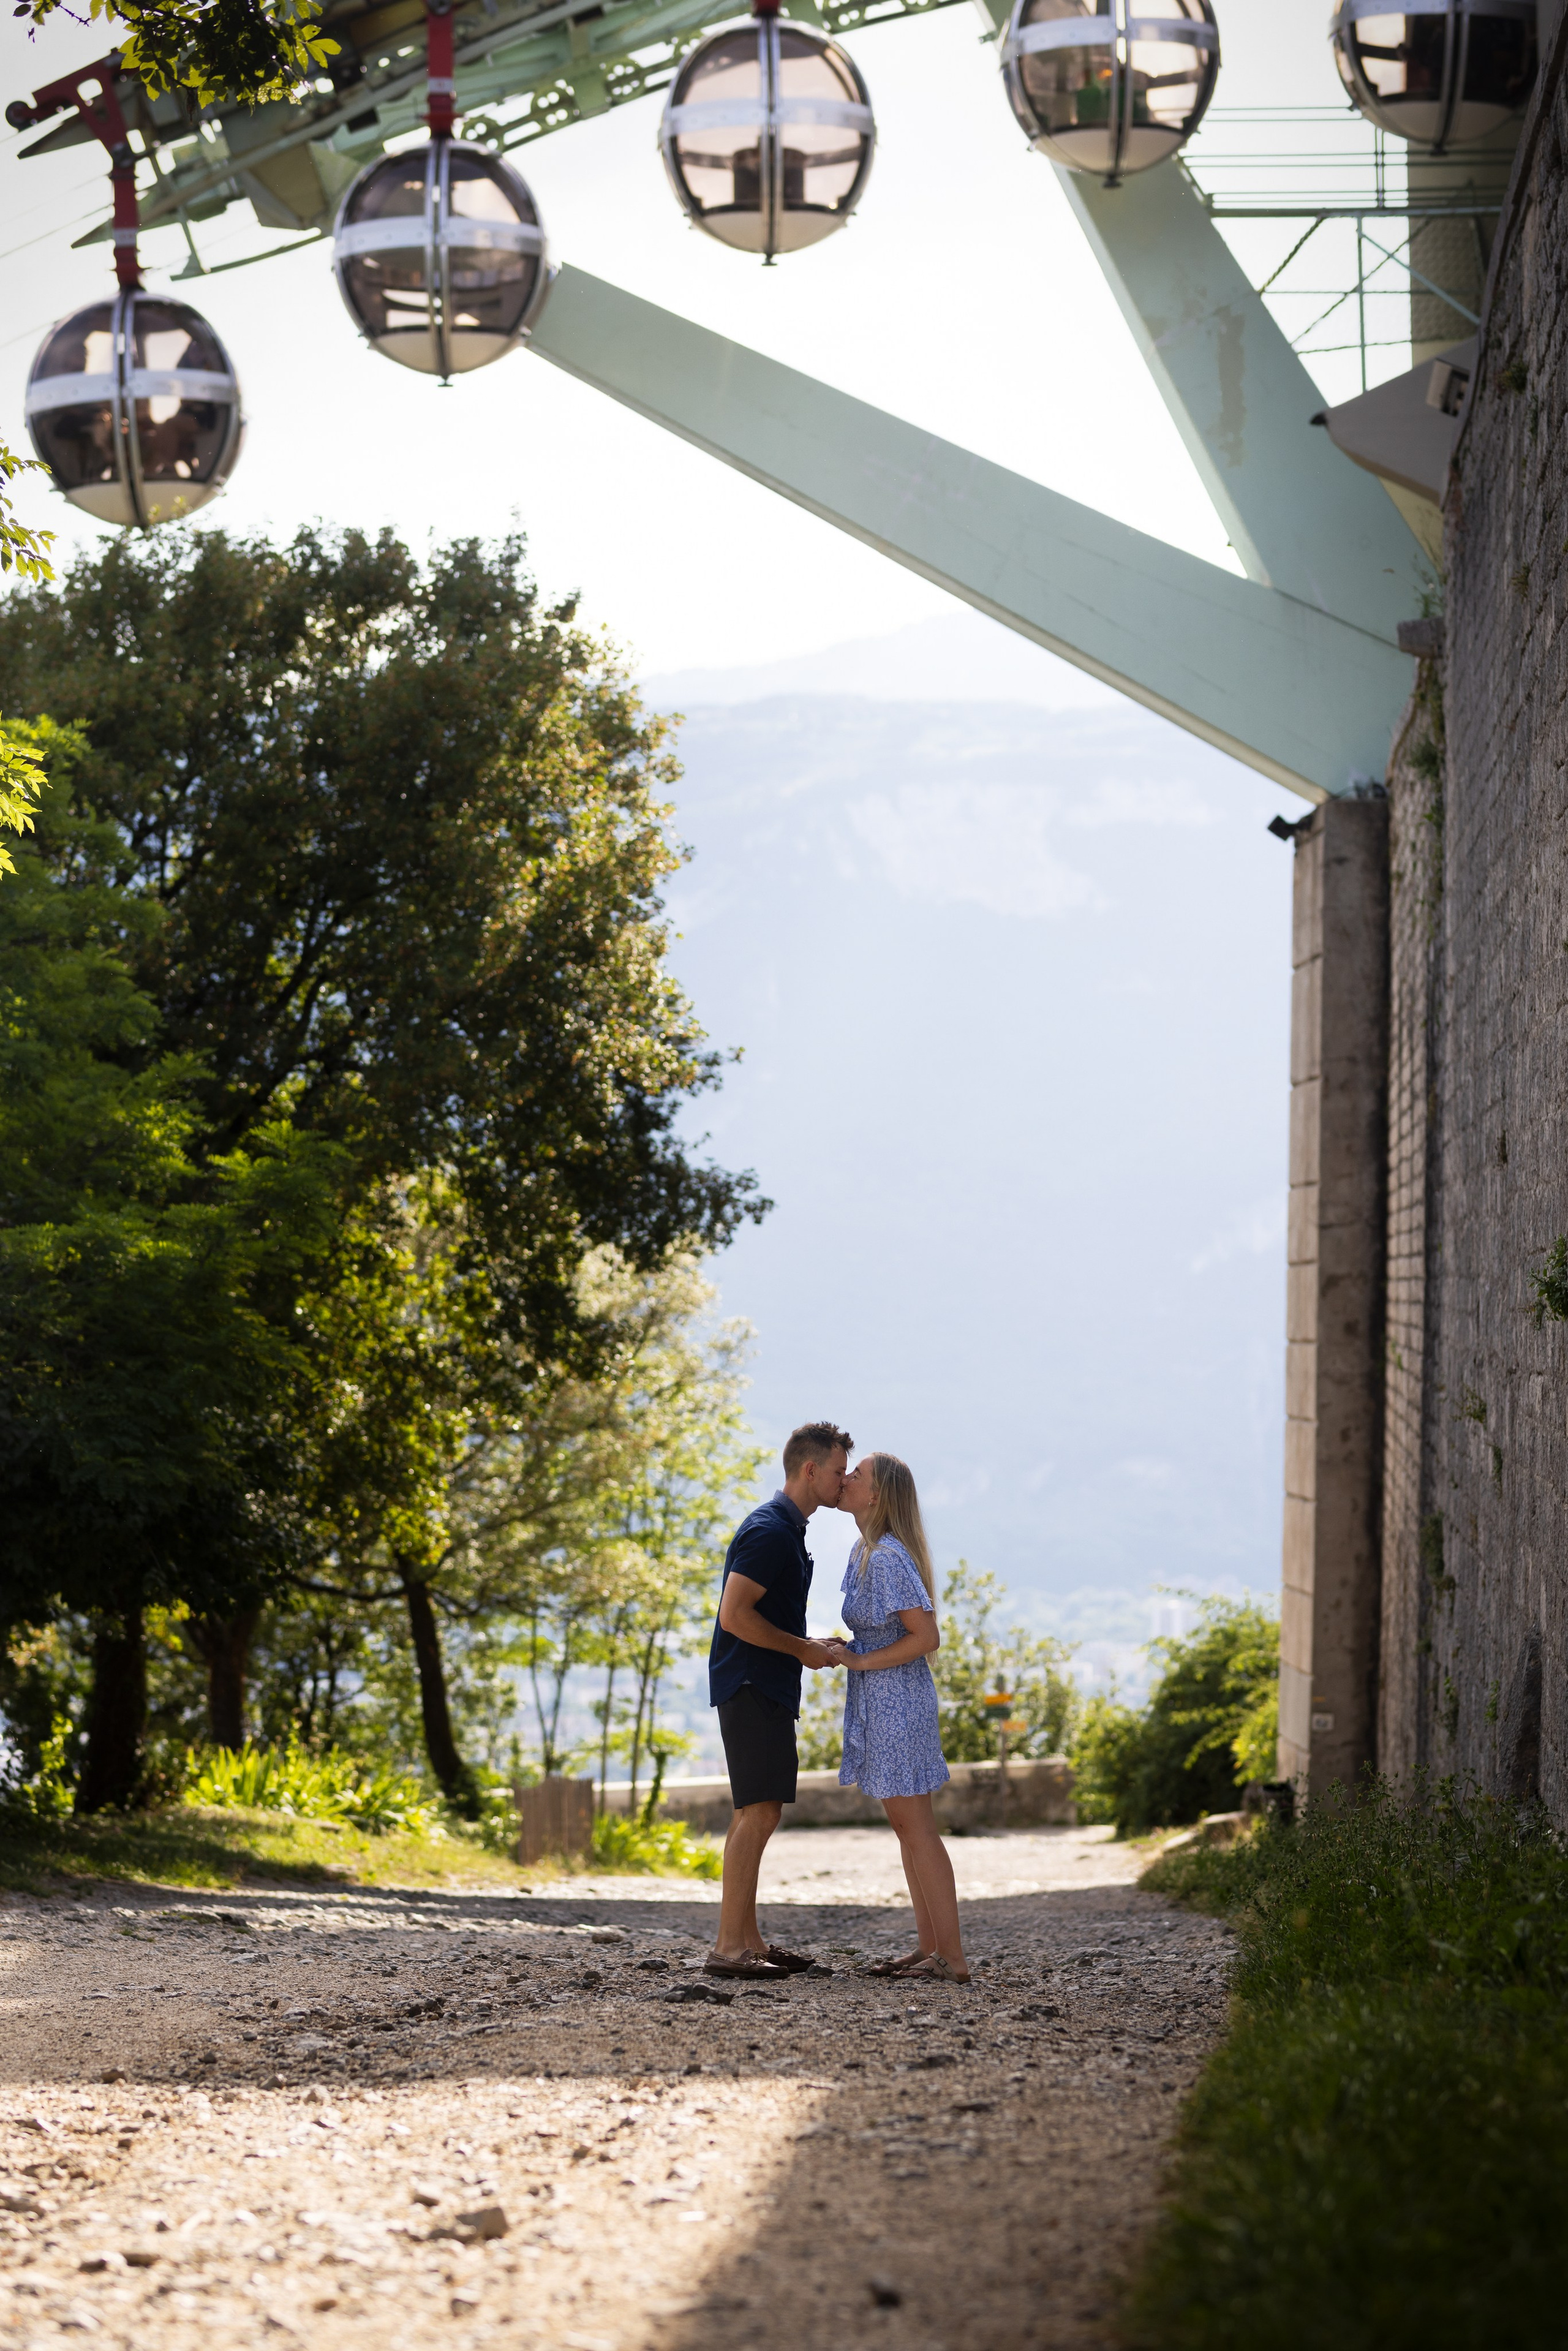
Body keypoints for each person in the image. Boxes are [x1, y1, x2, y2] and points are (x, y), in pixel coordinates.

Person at [704, 1419, 852, 1980]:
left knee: (755, 1812)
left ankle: (747, 1940)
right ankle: (729, 1948)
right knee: (759, 1813)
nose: (843, 1483)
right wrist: (802, 1651)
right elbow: (735, 1615)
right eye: (838, 1473)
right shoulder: (770, 1531)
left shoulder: (785, 1529)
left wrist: (807, 1644)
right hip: (751, 1683)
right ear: (810, 1470)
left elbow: (759, 1614)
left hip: (757, 1681)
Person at [824, 1451, 970, 1983]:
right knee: (908, 1828)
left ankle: (951, 1959)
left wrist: (861, 1659)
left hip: (898, 1701)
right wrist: (848, 1650)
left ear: (877, 1495)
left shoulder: (885, 1556)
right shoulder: (865, 1551)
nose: (845, 1480)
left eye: (855, 1475)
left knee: (917, 1830)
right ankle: (931, 1948)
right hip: (883, 1696)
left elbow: (926, 1637)